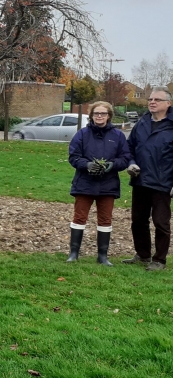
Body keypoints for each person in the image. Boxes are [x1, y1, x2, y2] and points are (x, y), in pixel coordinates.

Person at [66, 101, 132, 266]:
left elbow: (125, 158)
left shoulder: (118, 136)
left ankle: (102, 256)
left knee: (105, 219)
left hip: (108, 184)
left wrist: (111, 165)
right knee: (79, 217)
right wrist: (87, 165)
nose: (99, 116)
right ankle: (74, 253)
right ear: (91, 116)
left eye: (103, 113)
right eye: (96, 113)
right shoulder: (82, 134)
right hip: (84, 183)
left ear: (109, 116)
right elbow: (74, 156)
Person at [123, 86, 173, 271]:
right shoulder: (142, 123)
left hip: (163, 183)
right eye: (150, 99)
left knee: (161, 222)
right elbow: (129, 147)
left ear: (168, 103)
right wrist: (131, 163)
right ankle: (143, 255)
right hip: (140, 180)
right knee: (138, 220)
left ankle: (159, 260)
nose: (152, 102)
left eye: (157, 100)